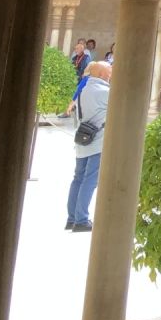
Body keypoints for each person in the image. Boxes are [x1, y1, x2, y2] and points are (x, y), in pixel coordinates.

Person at [66, 61, 110, 232]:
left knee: (78, 178)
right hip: (97, 142)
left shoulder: (84, 90)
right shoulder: (105, 92)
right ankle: (82, 219)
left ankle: (72, 218)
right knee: (90, 180)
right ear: (100, 74)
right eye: (108, 73)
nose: (110, 76)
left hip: (83, 140)